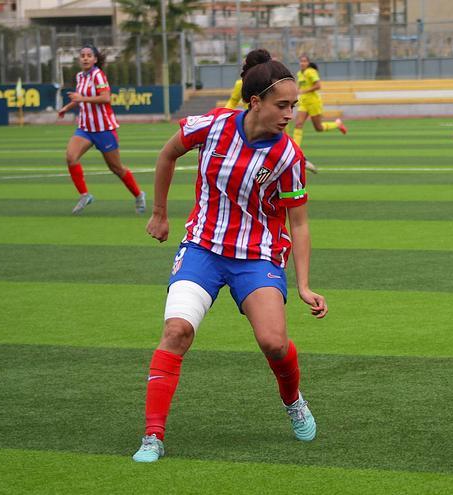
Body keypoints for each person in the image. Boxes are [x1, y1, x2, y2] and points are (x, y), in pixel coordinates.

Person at [132, 48, 328, 463]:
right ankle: (152, 435)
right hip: (202, 247)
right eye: (282, 105)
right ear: (254, 102)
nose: (290, 114)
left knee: (274, 343)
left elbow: (301, 223)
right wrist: (160, 213)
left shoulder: (288, 156)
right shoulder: (213, 125)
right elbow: (167, 154)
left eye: (293, 105)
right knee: (177, 332)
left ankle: (293, 401)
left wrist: (305, 284)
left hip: (257, 256)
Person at [56, 44, 146, 215]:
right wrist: (67, 108)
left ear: (95, 59)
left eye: (89, 55)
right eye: (82, 55)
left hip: (104, 128)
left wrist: (81, 98)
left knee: (116, 168)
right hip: (85, 127)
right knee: (71, 157)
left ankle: (138, 194)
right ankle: (85, 195)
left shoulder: (98, 75)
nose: (85, 58)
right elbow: (79, 97)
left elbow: (105, 98)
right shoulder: (80, 76)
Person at [293, 55, 347, 149]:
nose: (302, 63)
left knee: (318, 128)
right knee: (298, 124)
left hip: (314, 102)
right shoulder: (299, 73)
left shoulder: (311, 72)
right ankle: (295, 148)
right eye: (301, 61)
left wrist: (304, 91)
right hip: (304, 102)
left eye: (305, 61)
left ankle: (337, 124)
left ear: (308, 63)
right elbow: (299, 88)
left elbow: (318, 86)